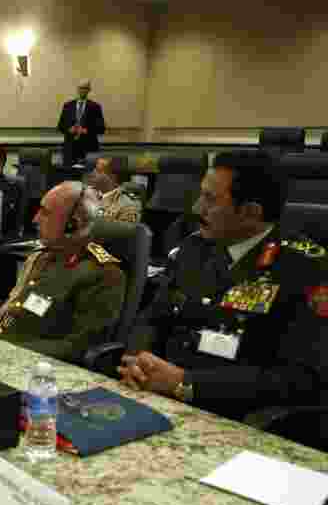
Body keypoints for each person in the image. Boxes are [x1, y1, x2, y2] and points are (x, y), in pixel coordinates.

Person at [118, 150, 327, 436]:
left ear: (251, 211)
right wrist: (138, 359)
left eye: (210, 199)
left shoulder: (306, 268)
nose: (196, 207)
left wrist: (186, 382)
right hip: (154, 398)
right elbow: (152, 316)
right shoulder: (194, 248)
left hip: (233, 420)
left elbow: (301, 378)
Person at [0, 181, 125, 363]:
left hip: (28, 370)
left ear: (72, 224)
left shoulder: (102, 274)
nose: (35, 219)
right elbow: (16, 310)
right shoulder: (41, 257)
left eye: (45, 213)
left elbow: (78, 348)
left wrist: (3, 351)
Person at [57, 80, 106, 166]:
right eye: (81, 88)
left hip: (88, 148)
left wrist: (86, 131)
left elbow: (101, 128)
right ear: (77, 89)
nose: (83, 90)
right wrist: (69, 129)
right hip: (70, 149)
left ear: (89, 90)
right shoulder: (68, 106)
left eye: (85, 88)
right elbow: (60, 126)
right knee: (69, 175)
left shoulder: (95, 107)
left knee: (88, 176)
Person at [87, 156, 142, 223]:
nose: (92, 174)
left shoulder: (129, 204)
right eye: (93, 170)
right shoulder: (87, 197)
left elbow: (123, 231)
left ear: (112, 177)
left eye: (99, 171)